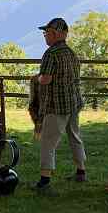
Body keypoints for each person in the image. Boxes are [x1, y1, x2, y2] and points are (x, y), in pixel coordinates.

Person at [35, 17, 86, 191]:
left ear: (55, 34)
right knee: (75, 136)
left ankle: (45, 180)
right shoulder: (71, 53)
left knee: (48, 141)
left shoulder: (51, 54)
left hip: (56, 105)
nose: (45, 36)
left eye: (46, 32)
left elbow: (46, 79)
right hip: (73, 102)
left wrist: (38, 78)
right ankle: (81, 171)